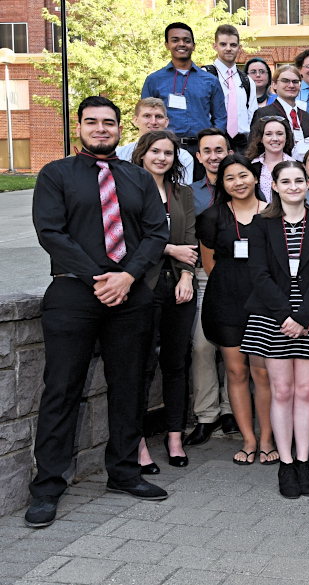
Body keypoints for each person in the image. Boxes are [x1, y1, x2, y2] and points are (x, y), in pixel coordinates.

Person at [26, 96, 171, 528]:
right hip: (73, 294)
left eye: (109, 122)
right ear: (79, 127)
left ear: (120, 129)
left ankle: (124, 472)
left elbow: (155, 231)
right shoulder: (55, 174)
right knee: (62, 389)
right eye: (92, 122)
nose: (101, 129)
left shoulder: (138, 178)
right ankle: (48, 486)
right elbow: (51, 232)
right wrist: (101, 277)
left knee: (129, 387)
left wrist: (126, 277)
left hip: (130, 296)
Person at [240, 161, 309, 497]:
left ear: (307, 184)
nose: (294, 186)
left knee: (305, 391)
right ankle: (285, 464)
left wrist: (304, 316)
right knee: (281, 390)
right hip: (273, 313)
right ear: (276, 186)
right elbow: (258, 273)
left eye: (300, 180)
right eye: (286, 181)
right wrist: (286, 315)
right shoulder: (260, 224)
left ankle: (302, 461)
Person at [196, 154, 277, 465]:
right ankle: (249, 440)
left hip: (265, 304)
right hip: (227, 300)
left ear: (255, 178)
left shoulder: (272, 214)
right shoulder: (212, 217)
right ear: (223, 184)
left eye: (243, 175)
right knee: (236, 371)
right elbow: (209, 263)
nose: (238, 182)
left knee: (262, 372)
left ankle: (268, 437)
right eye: (229, 178)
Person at [130, 131, 198, 474]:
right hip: (143, 286)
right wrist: (169, 249)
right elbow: (131, 240)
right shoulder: (128, 190)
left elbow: (190, 237)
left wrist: (187, 275)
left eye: (168, 152)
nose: (161, 157)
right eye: (155, 151)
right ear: (142, 153)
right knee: (141, 366)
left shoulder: (182, 192)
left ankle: (174, 436)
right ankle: (138, 442)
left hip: (179, 287)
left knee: (176, 362)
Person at [184, 128, 236, 447]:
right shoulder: (190, 194)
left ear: (228, 152)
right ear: (199, 156)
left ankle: (231, 409)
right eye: (208, 151)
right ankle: (206, 414)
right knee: (202, 346)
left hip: (239, 277)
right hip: (204, 276)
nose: (214, 156)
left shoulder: (242, 186)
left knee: (237, 346)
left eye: (220, 150)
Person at [141, 23, 226, 152]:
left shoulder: (210, 81)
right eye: (175, 40)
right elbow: (146, 117)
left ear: (193, 46)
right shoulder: (154, 80)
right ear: (167, 45)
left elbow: (220, 117)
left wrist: (213, 142)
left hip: (202, 149)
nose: (181, 44)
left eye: (186, 41)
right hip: (167, 149)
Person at [116, 98, 196, 185]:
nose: (153, 122)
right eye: (147, 116)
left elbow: (181, 194)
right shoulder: (120, 155)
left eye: (158, 116)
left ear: (166, 122)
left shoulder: (183, 157)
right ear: (135, 120)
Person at [204, 24, 256, 153]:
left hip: (242, 143)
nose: (228, 49)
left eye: (233, 45)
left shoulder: (247, 80)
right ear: (215, 46)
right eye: (223, 44)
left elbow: (252, 116)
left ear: (239, 48)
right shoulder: (204, 75)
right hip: (213, 141)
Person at [251, 65, 309, 139]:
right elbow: (253, 147)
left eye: (295, 82)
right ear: (274, 85)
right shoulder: (263, 114)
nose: (291, 85)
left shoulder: (307, 117)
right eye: (285, 81)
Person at [245, 116, 295, 201]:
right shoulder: (251, 166)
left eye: (279, 134)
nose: (275, 139)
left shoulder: (295, 165)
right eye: (268, 134)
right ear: (261, 138)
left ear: (286, 137)